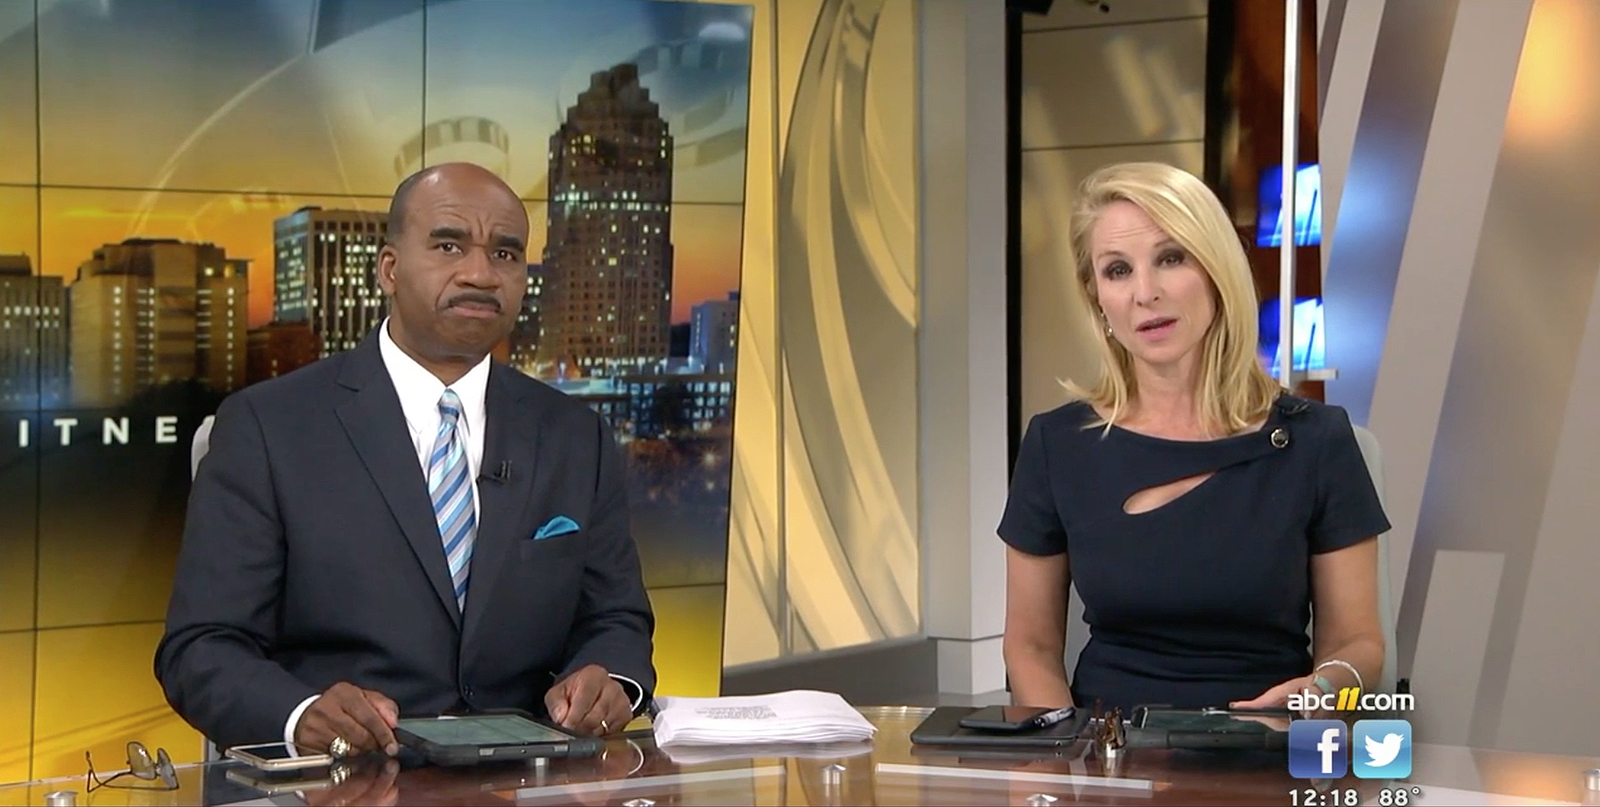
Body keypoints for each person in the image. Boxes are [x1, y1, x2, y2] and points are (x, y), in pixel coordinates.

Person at [155, 162, 655, 756]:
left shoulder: (577, 435)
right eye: (449, 245)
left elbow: (617, 619)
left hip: (526, 780)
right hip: (342, 783)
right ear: (388, 269)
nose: (479, 274)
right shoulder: (270, 427)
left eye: (505, 254)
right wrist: (300, 714)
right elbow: (201, 649)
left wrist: (611, 680)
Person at [1000, 162, 1390, 715]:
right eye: (1117, 270)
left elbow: (1359, 645)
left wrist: (1323, 690)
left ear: (1215, 270)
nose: (1145, 293)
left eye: (1170, 258)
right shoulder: (1056, 445)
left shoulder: (1316, 441)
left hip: (1265, 752)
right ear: (1098, 300)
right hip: (1106, 762)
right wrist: (1063, 764)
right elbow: (1030, 646)